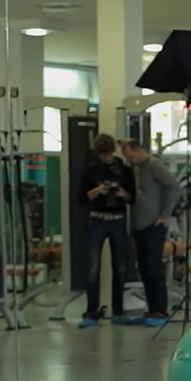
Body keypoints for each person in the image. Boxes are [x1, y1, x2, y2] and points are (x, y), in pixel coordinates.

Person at [122, 139, 183, 327]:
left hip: (154, 225)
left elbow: (173, 186)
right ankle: (152, 309)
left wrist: (165, 215)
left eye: (131, 156)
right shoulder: (138, 169)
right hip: (140, 226)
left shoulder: (155, 166)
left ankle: (161, 311)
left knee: (153, 269)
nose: (130, 160)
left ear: (139, 150)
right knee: (144, 270)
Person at [77, 134, 136, 328]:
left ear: (112, 151)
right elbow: (81, 198)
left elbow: (133, 198)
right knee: (92, 268)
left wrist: (122, 193)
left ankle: (118, 310)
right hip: (97, 219)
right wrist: (97, 191)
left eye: (107, 154)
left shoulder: (125, 171)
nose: (104, 158)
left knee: (120, 268)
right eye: (101, 155)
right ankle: (91, 311)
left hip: (117, 220)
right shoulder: (91, 171)